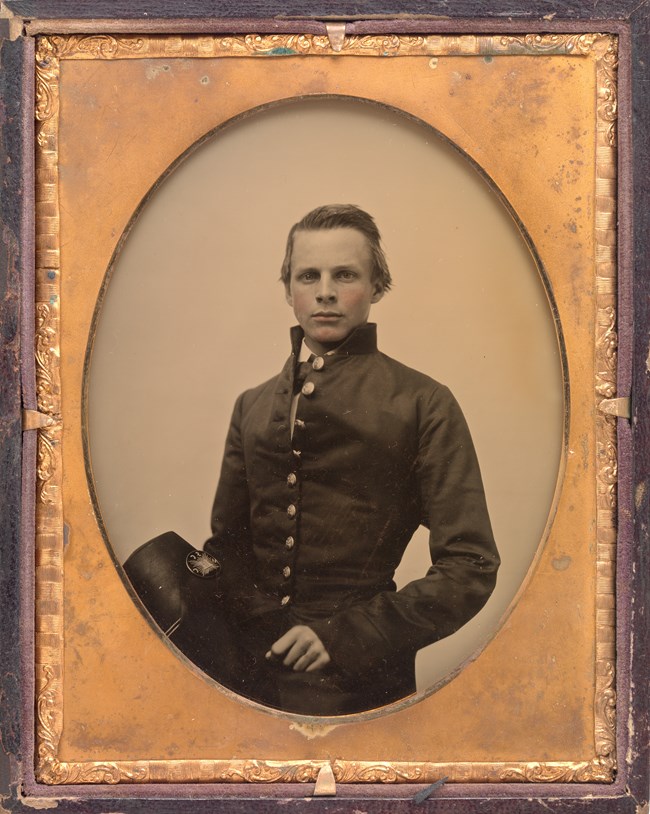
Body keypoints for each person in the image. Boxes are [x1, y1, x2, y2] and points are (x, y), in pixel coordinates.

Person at [200, 204, 500, 715]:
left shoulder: (422, 403)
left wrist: (342, 638)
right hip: (241, 672)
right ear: (288, 289)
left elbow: (470, 566)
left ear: (376, 286)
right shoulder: (251, 405)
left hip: (358, 681)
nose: (325, 292)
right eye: (308, 276)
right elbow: (226, 549)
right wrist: (267, 625)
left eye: (345, 275)